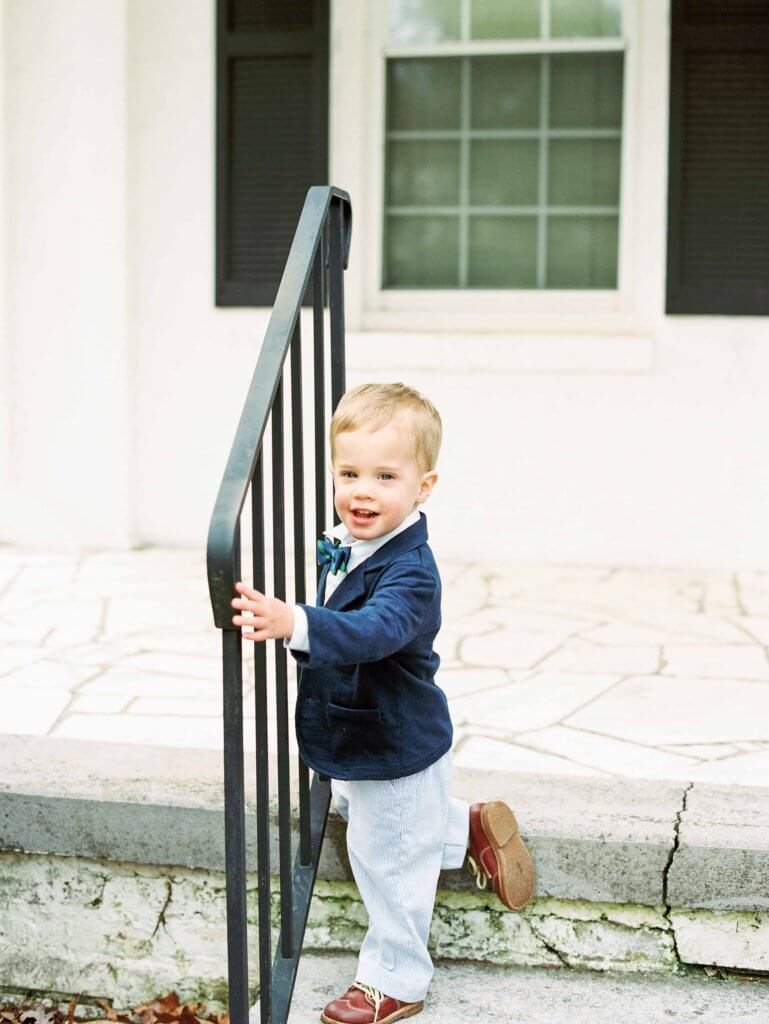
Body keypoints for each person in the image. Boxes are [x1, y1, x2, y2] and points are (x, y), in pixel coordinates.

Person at [231, 382, 535, 1024]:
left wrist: (298, 622)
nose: (361, 490)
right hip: (359, 733)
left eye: (384, 476)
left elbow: (374, 630)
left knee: (387, 859)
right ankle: (467, 827)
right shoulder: (347, 539)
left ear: (424, 487)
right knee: (373, 815)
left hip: (396, 741)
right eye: (349, 473)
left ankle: (395, 978)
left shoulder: (413, 571)